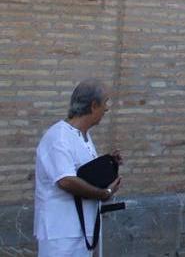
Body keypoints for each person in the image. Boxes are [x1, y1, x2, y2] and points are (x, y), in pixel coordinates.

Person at [34, 80, 123, 257]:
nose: (107, 109)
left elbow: (81, 172)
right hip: (61, 234)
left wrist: (107, 164)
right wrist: (103, 193)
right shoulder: (59, 137)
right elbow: (66, 181)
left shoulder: (83, 136)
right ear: (93, 105)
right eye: (105, 102)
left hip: (83, 230)